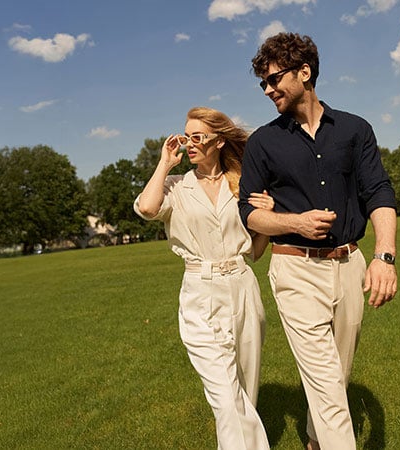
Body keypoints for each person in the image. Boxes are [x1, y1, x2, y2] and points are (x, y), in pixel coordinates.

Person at [238, 33, 399, 450]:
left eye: (274, 79)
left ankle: (314, 439)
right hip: (295, 270)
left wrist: (384, 256)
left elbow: (379, 191)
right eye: (263, 84)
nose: (268, 90)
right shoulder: (262, 143)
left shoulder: (354, 129)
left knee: (337, 376)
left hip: (350, 266)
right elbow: (248, 213)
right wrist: (295, 222)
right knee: (327, 385)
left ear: (305, 73)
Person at [134, 107, 274, 450]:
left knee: (244, 392)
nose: (189, 143)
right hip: (199, 293)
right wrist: (165, 163)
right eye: (186, 136)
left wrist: (268, 219)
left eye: (197, 136)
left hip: (242, 286)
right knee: (226, 398)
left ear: (219, 141)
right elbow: (148, 209)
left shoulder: (242, 185)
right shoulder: (176, 186)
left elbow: (254, 251)